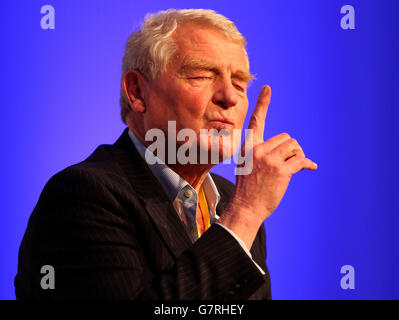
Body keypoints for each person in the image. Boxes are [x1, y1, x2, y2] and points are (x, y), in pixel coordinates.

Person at [15, 9, 317, 300]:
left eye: (240, 84)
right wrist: (246, 213)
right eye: (201, 76)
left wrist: (244, 212)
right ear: (137, 92)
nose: (229, 97)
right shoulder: (82, 195)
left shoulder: (229, 200)